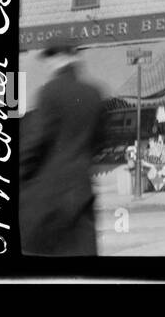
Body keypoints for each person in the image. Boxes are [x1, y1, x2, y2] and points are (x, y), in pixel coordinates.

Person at [20, 43, 107, 256]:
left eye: (51, 59)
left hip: (48, 199)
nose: (49, 65)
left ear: (60, 59)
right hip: (82, 193)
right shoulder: (94, 93)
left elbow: (34, 144)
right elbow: (101, 141)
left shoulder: (49, 92)